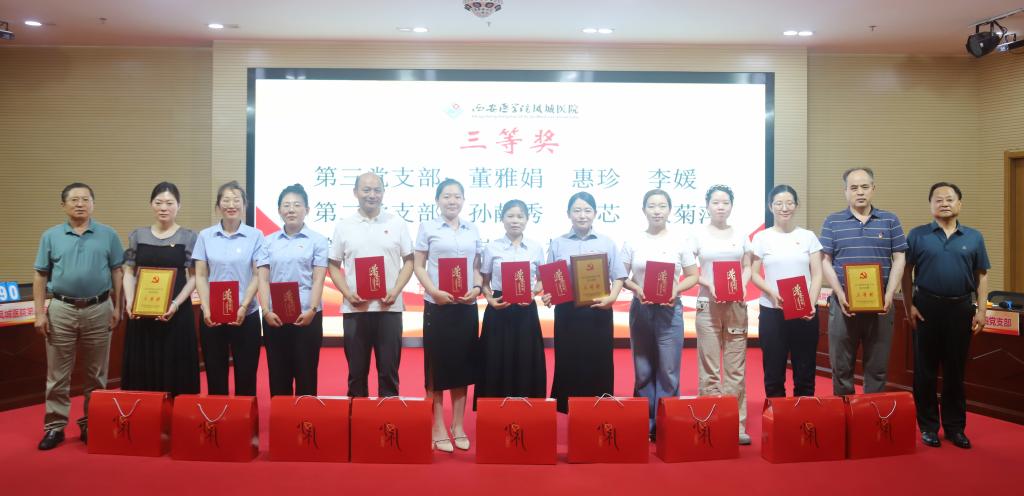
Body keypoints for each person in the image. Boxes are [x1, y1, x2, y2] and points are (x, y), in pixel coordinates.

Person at [33, 182, 124, 450]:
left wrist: (118, 307)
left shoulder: (108, 235)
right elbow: (40, 275)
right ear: (63, 205)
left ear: (93, 204)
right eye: (74, 199)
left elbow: (117, 272)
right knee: (57, 374)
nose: (80, 204)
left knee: (97, 374)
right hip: (61, 309)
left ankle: (91, 423)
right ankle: (55, 426)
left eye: (85, 199)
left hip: (99, 307)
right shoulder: (51, 236)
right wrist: (39, 313)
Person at [901, 182, 989, 450]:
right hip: (926, 308)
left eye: (950, 199)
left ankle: (955, 428)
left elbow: (981, 275)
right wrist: (908, 306)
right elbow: (906, 272)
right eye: (938, 199)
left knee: (955, 371)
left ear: (959, 204)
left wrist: (981, 310)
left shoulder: (974, 237)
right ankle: (928, 427)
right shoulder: (918, 235)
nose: (944, 203)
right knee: (924, 372)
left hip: (960, 309)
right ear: (930, 205)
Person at [820, 167, 906, 395]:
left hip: (881, 306)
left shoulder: (890, 220)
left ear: (873, 189)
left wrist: (890, 294)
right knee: (841, 367)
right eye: (854, 187)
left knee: (877, 369)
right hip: (843, 305)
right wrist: (839, 293)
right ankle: (845, 412)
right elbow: (825, 261)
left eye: (865, 187)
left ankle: (870, 413)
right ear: (845, 191)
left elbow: (899, 258)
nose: (860, 192)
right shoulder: (832, 221)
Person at [327, 172, 414, 398]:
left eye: (377, 190)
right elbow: (333, 265)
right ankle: (358, 419)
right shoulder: (344, 226)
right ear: (355, 192)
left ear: (383, 193)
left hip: (389, 309)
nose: (372, 195)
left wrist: (396, 290)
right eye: (366, 190)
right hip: (355, 310)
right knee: (356, 374)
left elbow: (409, 261)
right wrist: (348, 294)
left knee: (389, 374)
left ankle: (388, 418)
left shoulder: (397, 223)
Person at [412, 179, 482, 452]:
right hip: (437, 305)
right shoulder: (428, 227)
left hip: (465, 307)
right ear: (437, 200)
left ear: (463, 200)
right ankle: (438, 426)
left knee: (462, 366)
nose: (452, 201)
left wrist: (477, 288)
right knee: (437, 368)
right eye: (446, 196)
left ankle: (458, 425)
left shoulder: (472, 229)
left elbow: (476, 266)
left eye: (457, 196)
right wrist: (433, 291)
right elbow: (419, 266)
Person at [622, 189, 698, 439]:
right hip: (641, 310)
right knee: (643, 369)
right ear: (644, 210)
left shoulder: (680, 241)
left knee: (668, 369)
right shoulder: (633, 241)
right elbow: (621, 276)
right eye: (652, 206)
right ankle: (645, 423)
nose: (657, 211)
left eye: (662, 206)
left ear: (669, 210)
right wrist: (636, 289)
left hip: (670, 311)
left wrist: (676, 289)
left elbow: (693, 275)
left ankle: (666, 424)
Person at [545, 191, 626, 413]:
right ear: (568, 214)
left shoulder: (606, 242)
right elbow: (550, 278)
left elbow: (619, 275)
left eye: (587, 210)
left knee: (598, 360)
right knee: (568, 359)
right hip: (567, 311)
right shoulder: (558, 243)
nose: (582, 215)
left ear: (595, 213)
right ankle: (568, 408)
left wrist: (612, 297)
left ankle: (597, 408)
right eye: (577, 210)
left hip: (598, 310)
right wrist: (549, 294)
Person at [122, 182, 200, 397]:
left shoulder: (189, 237)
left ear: (178, 206)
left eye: (169, 203)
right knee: (143, 366)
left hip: (176, 312)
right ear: (151, 204)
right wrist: (130, 301)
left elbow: (195, 277)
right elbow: (128, 272)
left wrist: (175, 304)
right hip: (142, 312)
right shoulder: (138, 235)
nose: (164, 207)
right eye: (158, 202)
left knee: (176, 367)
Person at [690, 184, 753, 445]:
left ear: (731, 206)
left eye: (725, 202)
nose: (720, 207)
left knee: (736, 368)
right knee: (709, 367)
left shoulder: (741, 235)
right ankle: (710, 421)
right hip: (708, 304)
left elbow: (747, 266)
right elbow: (690, 271)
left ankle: (736, 424)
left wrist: (742, 286)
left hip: (736, 306)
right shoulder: (697, 235)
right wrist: (710, 284)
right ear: (707, 206)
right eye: (715, 202)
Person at [193, 181, 265, 396]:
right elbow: (201, 275)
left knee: (246, 374)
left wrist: (243, 306)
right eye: (226, 200)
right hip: (212, 316)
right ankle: (219, 416)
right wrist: (206, 308)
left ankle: (246, 417)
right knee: (215, 375)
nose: (231, 205)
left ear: (244, 205)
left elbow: (258, 274)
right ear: (218, 206)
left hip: (246, 314)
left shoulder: (256, 236)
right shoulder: (205, 236)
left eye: (236, 200)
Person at [751, 185, 823, 398]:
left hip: (804, 312)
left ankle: (804, 414)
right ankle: (777, 415)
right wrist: (772, 293)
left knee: (805, 370)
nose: (785, 208)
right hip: (772, 311)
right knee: (773, 371)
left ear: (797, 205)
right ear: (770, 206)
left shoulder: (808, 236)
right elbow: (754, 274)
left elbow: (817, 274)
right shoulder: (761, 238)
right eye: (779, 203)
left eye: (790, 203)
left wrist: (810, 304)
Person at [257, 184, 329, 396]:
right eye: (286, 205)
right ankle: (282, 416)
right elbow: (263, 278)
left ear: (307, 209)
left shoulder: (318, 240)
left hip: (307, 316)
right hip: (275, 318)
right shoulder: (268, 241)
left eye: (297, 205)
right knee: (278, 375)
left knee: (306, 375)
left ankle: (305, 416)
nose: (291, 209)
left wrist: (312, 309)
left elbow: (318, 278)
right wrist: (266, 311)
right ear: (279, 210)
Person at [476, 200, 547, 406]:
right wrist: (489, 299)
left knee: (526, 358)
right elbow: (485, 281)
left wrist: (533, 293)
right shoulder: (492, 247)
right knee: (496, 358)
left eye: (520, 216)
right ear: (502, 219)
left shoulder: (535, 248)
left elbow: (542, 279)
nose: (515, 221)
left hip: (526, 309)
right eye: (510, 216)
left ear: (527, 220)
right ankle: (495, 408)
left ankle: (527, 406)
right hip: (499, 308)